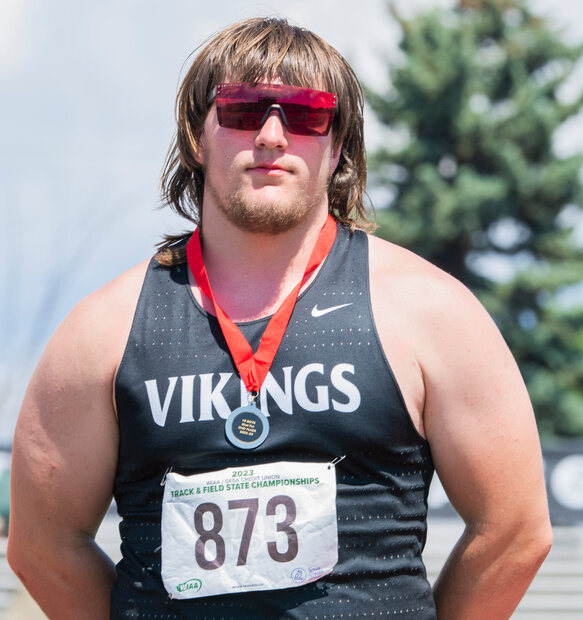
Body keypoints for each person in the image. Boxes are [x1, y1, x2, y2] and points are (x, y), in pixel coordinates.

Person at [7, 17, 551, 619]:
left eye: (307, 113)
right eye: (242, 110)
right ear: (196, 133)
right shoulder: (104, 329)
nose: (271, 135)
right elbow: (42, 546)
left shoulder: (431, 311)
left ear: (338, 144)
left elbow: (515, 531)